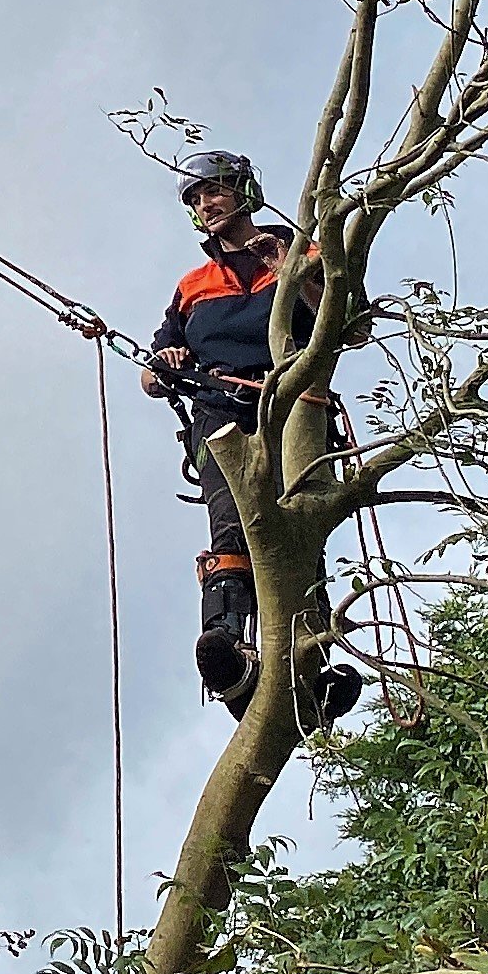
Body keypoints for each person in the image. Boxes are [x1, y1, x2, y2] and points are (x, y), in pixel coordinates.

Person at [141, 154, 357, 724]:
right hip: (223, 420)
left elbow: (348, 325)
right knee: (236, 525)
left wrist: (290, 270)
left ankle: (306, 665)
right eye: (195, 198)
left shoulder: (302, 256)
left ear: (243, 191)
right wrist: (167, 361)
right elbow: (149, 376)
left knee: (301, 529)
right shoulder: (193, 286)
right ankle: (228, 650)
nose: (205, 205)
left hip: (296, 410)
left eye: (213, 192)